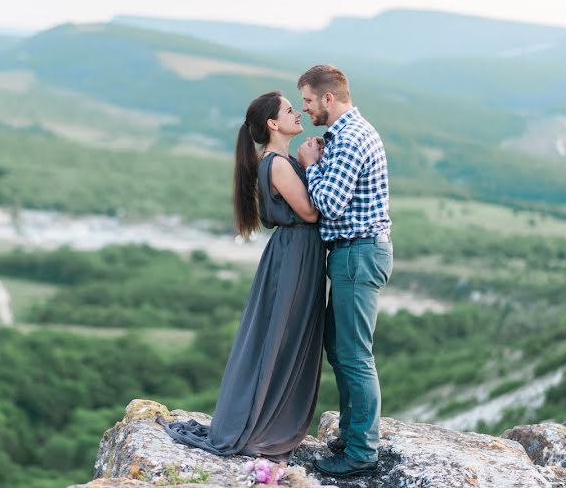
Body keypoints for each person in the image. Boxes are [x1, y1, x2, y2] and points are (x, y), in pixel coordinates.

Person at [157, 91, 326, 463]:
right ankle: (261, 424)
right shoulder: (279, 164)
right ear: (272, 124)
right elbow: (311, 213)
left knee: (285, 335)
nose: (297, 113)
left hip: (298, 253)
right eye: (288, 109)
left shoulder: (278, 160)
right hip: (297, 254)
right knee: (281, 336)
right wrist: (310, 163)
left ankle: (267, 419)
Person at [296, 65, 393, 478]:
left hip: (358, 254)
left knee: (354, 356)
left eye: (307, 101)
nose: (305, 110)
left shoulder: (350, 138)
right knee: (339, 349)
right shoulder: (344, 134)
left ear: (328, 98)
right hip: (351, 254)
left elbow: (329, 205)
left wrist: (308, 163)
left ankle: (361, 453)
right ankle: (353, 435)